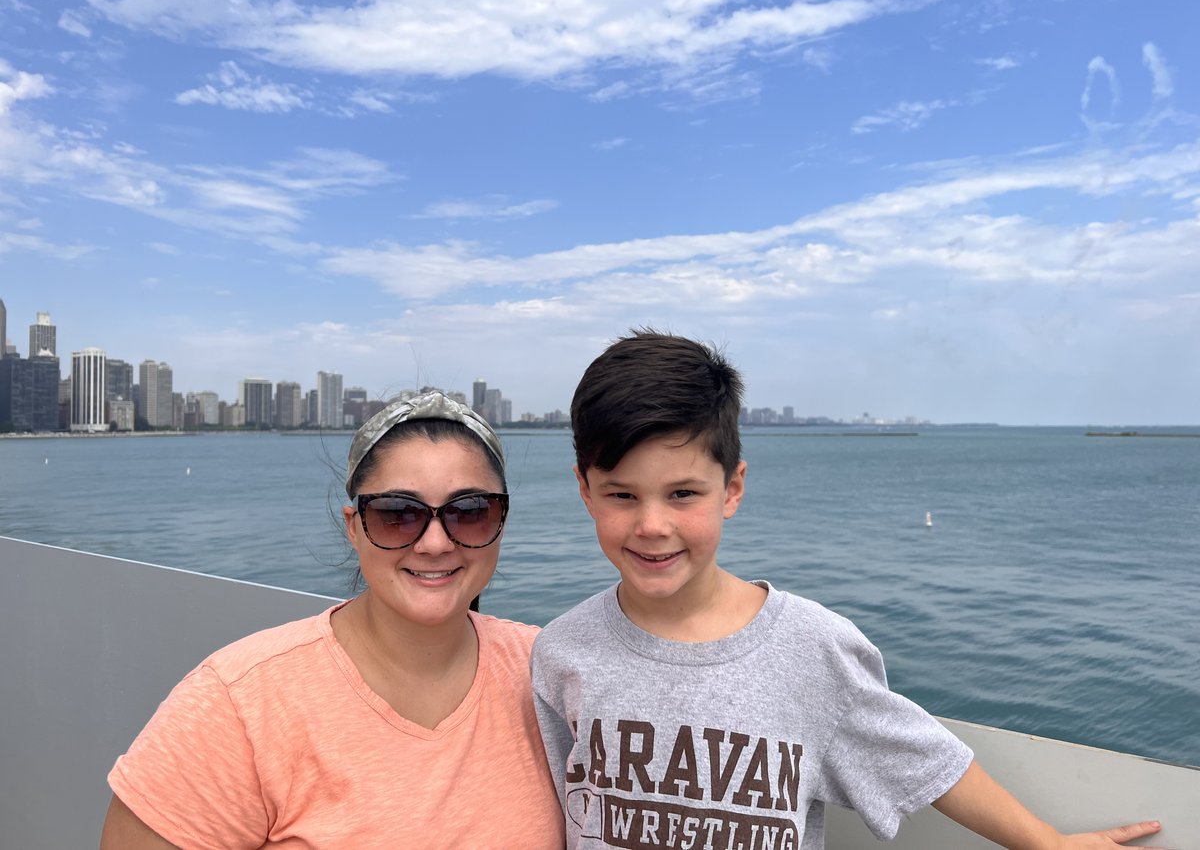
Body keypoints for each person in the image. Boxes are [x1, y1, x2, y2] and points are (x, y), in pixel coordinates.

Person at [531, 330, 1165, 850]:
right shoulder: (562, 651)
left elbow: (926, 762)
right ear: (586, 490)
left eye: (683, 494)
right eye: (621, 495)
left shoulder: (813, 647)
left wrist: (1046, 844)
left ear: (732, 489)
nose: (652, 525)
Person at [100, 390, 564, 849]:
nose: (435, 543)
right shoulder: (240, 701)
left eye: (470, 512)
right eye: (398, 514)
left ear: (501, 521)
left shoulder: (552, 674)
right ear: (353, 526)